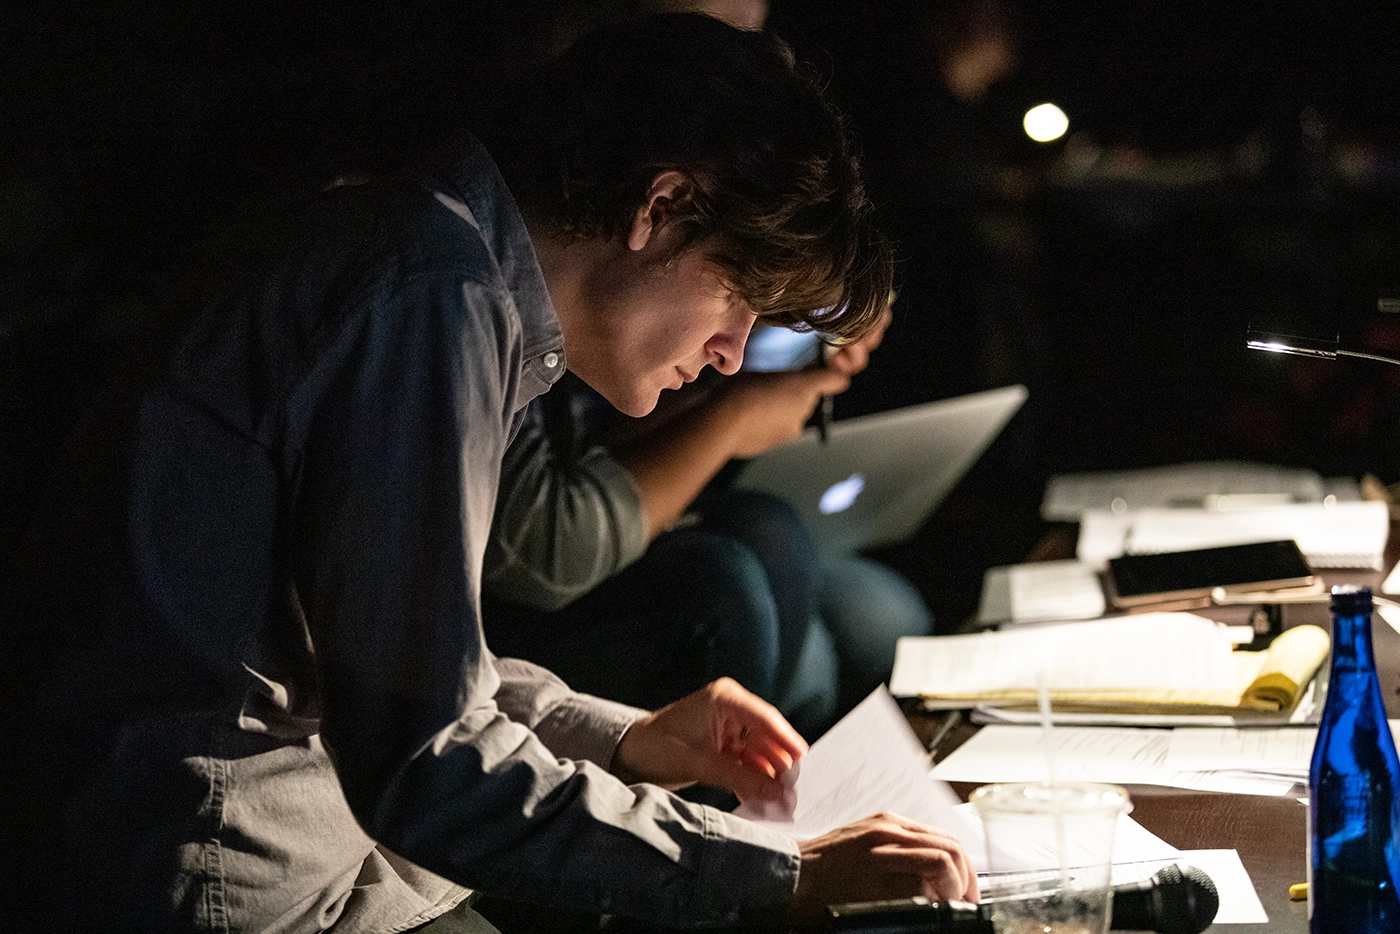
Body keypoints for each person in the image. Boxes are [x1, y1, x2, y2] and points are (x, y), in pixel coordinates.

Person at [3, 14, 976, 932]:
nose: (730, 353)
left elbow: (405, 669)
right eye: (740, 296)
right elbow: (420, 756)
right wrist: (782, 871)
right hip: (238, 884)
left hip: (295, 853)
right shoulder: (424, 296)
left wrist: (627, 739)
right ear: (662, 206)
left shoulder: (428, 259)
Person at [482, 308, 934, 737]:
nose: (731, 353)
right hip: (527, 612)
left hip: (638, 519)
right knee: (796, 636)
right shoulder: (496, 325)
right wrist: (730, 417)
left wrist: (779, 346)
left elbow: (598, 434)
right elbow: (545, 555)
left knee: (885, 614)